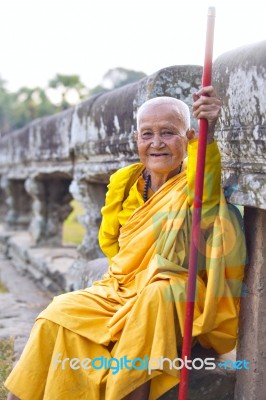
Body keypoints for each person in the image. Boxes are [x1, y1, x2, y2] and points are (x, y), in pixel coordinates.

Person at [5, 87, 246, 400]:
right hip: (121, 287)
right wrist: (131, 275)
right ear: (136, 139)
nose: (156, 143)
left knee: (157, 294)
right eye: (147, 134)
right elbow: (112, 244)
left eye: (168, 133)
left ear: (188, 138)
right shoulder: (124, 182)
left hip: (172, 288)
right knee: (58, 311)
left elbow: (207, 195)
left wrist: (208, 132)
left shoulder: (194, 181)